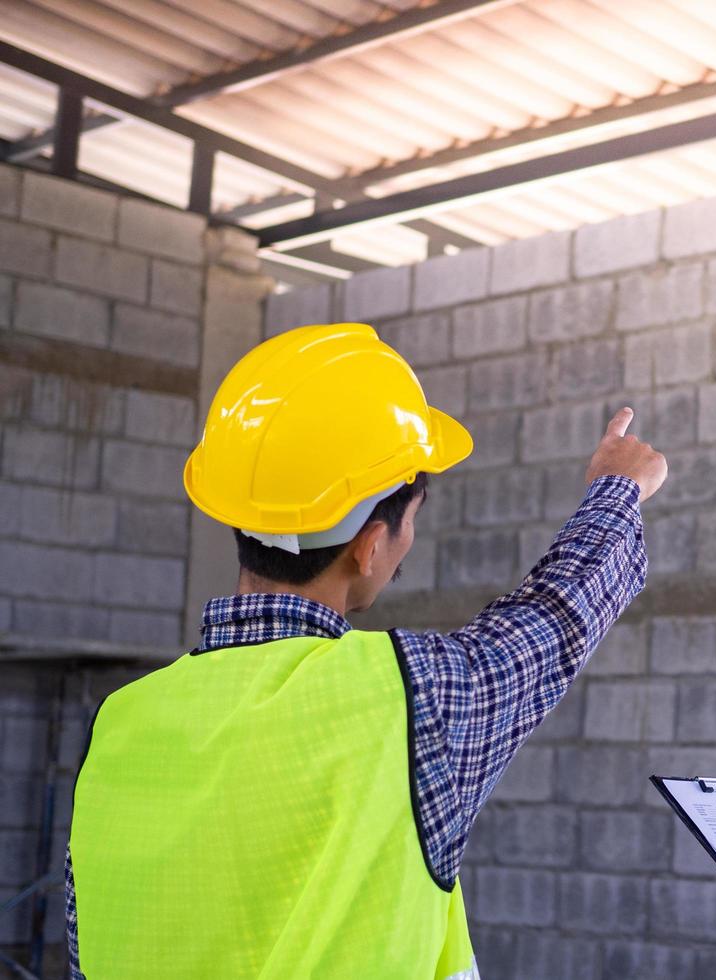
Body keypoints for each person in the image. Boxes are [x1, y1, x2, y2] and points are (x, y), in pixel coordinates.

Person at [65, 322, 667, 979]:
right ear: (370, 543)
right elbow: (553, 619)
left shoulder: (120, 724)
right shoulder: (411, 700)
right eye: (411, 519)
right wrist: (618, 487)